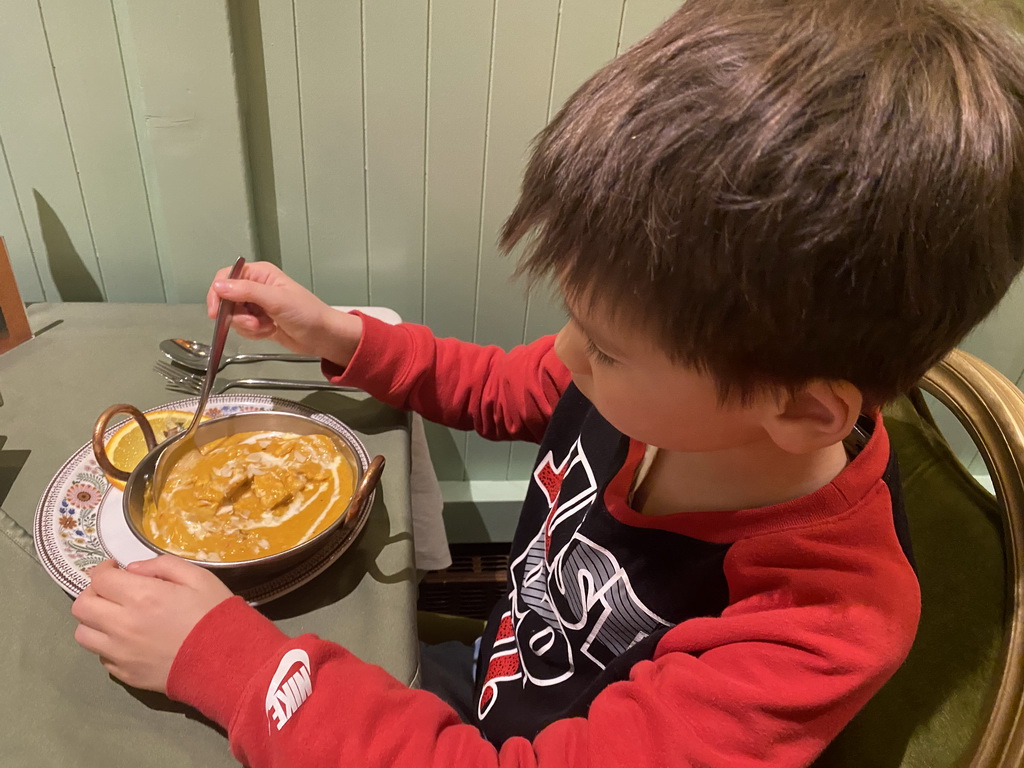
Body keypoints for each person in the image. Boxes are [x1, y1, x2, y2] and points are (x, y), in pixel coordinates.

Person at [71, 0, 1024, 764]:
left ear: (802, 409)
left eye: (606, 346)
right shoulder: (675, 401)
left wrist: (233, 669)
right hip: (483, 681)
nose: (567, 354)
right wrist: (336, 333)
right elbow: (498, 385)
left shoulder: (816, 627)